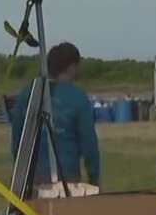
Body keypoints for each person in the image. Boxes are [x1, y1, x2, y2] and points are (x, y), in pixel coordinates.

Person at [9, 42, 100, 189]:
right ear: (72, 66)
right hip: (67, 176)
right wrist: (94, 176)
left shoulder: (28, 92)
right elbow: (88, 142)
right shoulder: (78, 97)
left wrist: (19, 170)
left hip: (32, 176)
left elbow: (17, 137)